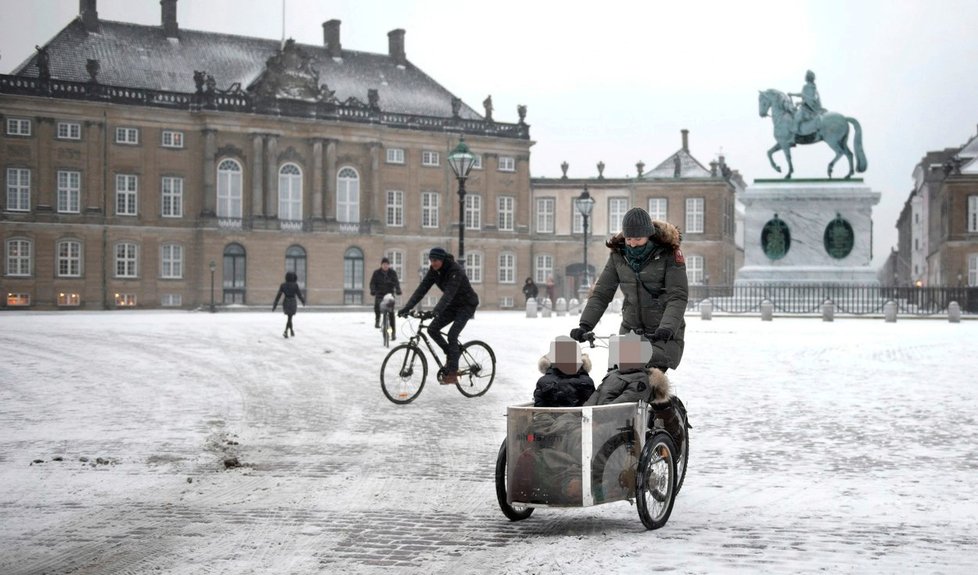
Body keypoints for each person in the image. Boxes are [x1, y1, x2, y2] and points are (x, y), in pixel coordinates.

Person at [569, 206, 689, 448]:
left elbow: (677, 296)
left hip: (663, 335)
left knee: (648, 383)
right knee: (616, 380)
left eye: (638, 238)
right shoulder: (619, 255)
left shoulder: (669, 254)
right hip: (630, 332)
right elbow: (602, 292)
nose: (632, 243)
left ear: (648, 235)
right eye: (629, 238)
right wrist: (585, 324)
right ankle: (619, 436)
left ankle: (673, 431)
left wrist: (667, 327)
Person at [397, 247, 479, 385]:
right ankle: (452, 354)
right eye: (431, 260)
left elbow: (449, 293)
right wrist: (407, 307)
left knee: (452, 335)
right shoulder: (434, 271)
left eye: (435, 260)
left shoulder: (455, 270)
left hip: (467, 305)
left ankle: (453, 373)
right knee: (432, 329)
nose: (432, 263)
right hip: (453, 305)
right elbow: (421, 289)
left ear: (442, 259)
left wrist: (436, 310)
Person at [369, 257, 401, 330]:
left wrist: (398, 290)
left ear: (389, 265)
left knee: (391, 313)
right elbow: (372, 283)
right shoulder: (376, 273)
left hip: (389, 294)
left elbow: (396, 283)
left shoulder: (392, 273)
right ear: (381, 265)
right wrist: (373, 290)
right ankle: (377, 320)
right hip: (379, 293)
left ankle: (392, 331)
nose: (385, 266)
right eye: (384, 264)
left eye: (387, 264)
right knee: (377, 305)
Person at [789, 69, 824, 136]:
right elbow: (804, 95)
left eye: (806, 76)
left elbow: (809, 98)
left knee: (797, 116)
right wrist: (792, 94)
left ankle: (795, 131)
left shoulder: (808, 86)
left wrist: (800, 103)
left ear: (807, 78)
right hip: (809, 106)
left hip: (809, 108)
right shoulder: (812, 87)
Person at [272, 271, 305, 338]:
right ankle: (286, 331)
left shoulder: (283, 285)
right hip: (292, 301)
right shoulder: (295, 285)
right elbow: (299, 294)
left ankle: (291, 330)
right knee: (290, 317)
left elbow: (279, 295)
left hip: (286, 301)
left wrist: (275, 305)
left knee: (289, 317)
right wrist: (302, 301)